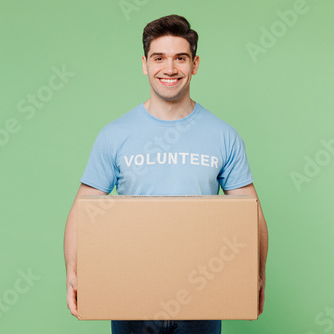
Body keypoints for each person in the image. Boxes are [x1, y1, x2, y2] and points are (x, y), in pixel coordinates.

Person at [64, 14, 268, 334]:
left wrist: (257, 273)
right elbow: (84, 208)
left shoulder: (223, 135)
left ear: (195, 64)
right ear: (145, 64)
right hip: (130, 295)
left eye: (180, 58)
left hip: (204, 296)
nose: (169, 69)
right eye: (159, 58)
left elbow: (250, 210)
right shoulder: (115, 135)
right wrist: (73, 272)